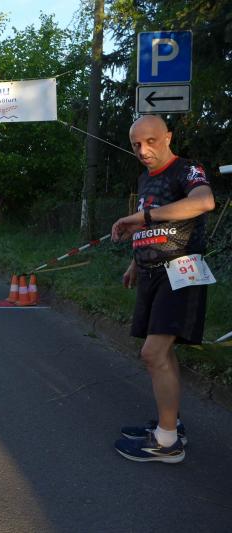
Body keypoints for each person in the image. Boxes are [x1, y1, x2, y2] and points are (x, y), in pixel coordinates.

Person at [111, 115, 215, 464]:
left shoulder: (187, 170)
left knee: (153, 353)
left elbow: (204, 202)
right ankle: (170, 425)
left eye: (151, 141)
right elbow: (152, 227)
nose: (143, 150)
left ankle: (167, 443)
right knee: (162, 354)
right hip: (151, 272)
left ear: (168, 137)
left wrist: (143, 218)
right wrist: (134, 263)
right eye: (136, 145)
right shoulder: (145, 179)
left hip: (181, 270)